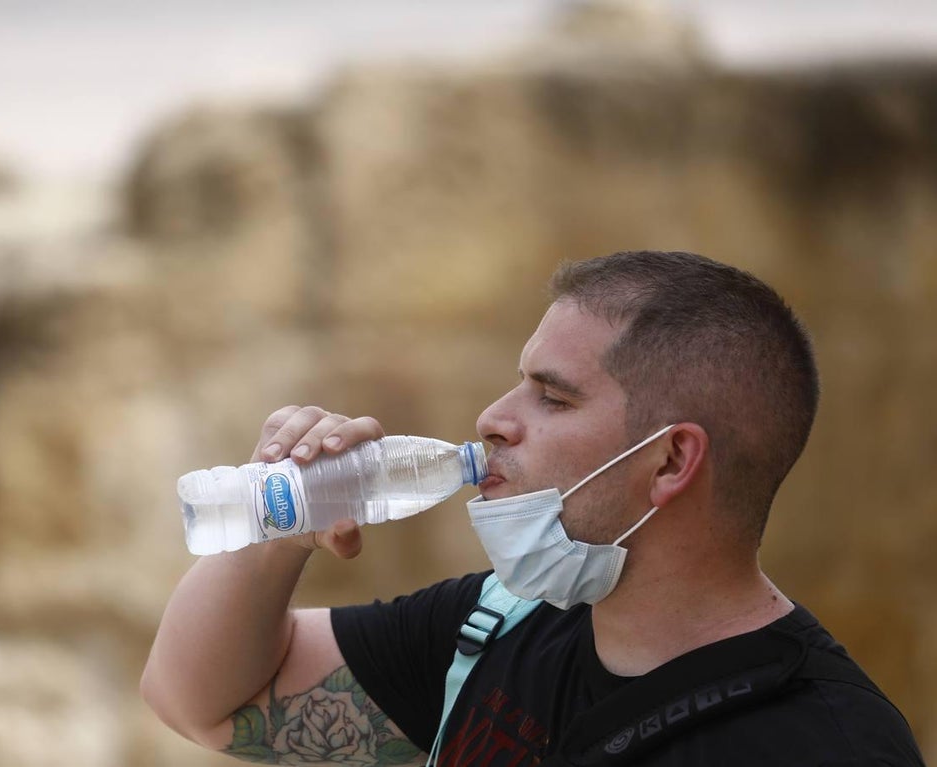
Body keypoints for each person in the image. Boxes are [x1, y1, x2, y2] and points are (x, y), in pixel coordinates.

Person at [142, 250, 925, 766]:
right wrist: (280, 528)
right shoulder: (498, 622)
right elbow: (201, 701)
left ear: (671, 460)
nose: (493, 416)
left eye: (551, 396)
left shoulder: (827, 743)